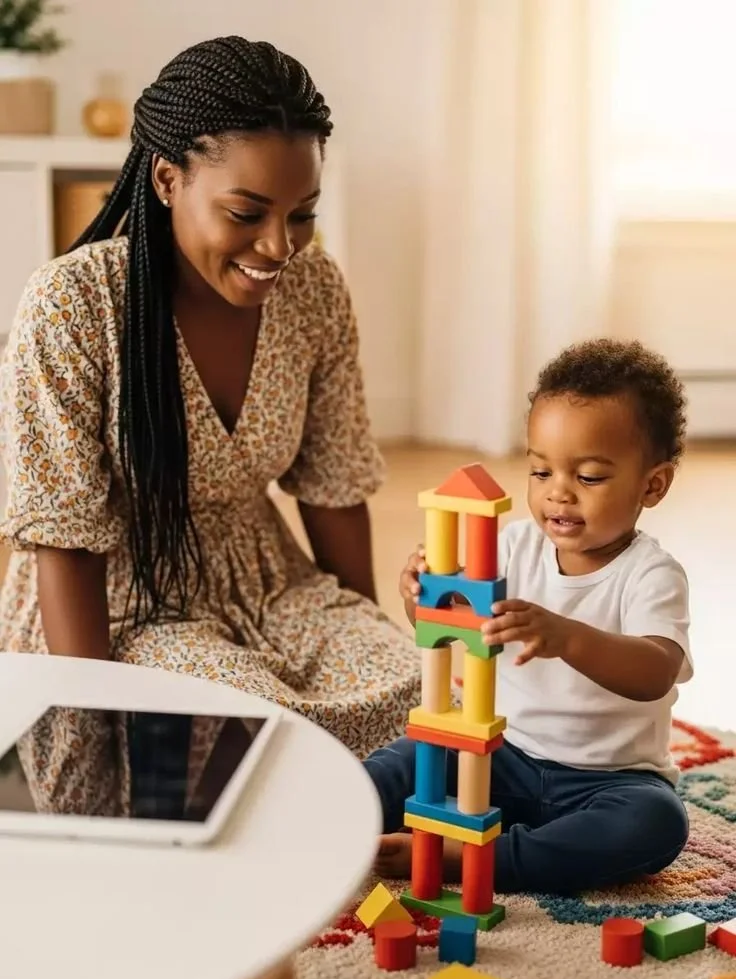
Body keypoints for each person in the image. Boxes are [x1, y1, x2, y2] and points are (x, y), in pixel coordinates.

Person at [0, 36, 420, 817]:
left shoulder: (314, 289)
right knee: (247, 720)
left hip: (267, 579)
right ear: (166, 177)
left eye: (303, 215)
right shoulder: (71, 306)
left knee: (423, 692)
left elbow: (331, 489)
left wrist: (369, 631)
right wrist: (94, 719)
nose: (279, 246)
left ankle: (325, 804)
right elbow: (65, 543)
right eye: (247, 213)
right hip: (121, 605)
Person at [365, 340, 692, 894]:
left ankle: (478, 861)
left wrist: (565, 636)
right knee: (407, 758)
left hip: (608, 782)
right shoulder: (515, 548)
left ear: (652, 484)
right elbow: (450, 622)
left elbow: (655, 670)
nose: (558, 494)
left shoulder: (651, 575)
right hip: (501, 758)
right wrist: (420, 593)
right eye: (541, 472)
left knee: (657, 823)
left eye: (588, 477)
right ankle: (339, 816)